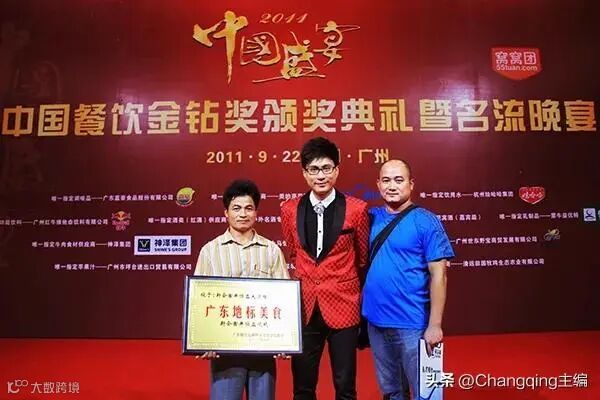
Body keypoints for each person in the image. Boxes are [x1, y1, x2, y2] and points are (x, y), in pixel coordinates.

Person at [280, 137, 369, 400]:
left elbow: (362, 257)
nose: (321, 176)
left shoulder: (357, 209)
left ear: (337, 170)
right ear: (304, 173)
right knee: (303, 386)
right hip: (305, 306)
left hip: (344, 304)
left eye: (327, 168)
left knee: (345, 386)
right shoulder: (289, 209)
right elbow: (293, 251)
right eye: (314, 169)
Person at [362, 160, 455, 400]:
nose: (392, 186)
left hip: (414, 324)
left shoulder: (426, 221)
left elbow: (439, 275)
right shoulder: (370, 219)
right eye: (386, 180)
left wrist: (435, 324)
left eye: (398, 180)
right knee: (391, 391)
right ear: (378, 184)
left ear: (411, 184)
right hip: (376, 322)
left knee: (428, 392)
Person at [194, 179, 290, 400]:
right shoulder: (210, 251)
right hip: (224, 348)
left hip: (263, 346)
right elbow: (199, 300)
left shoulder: (271, 250)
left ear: (256, 212)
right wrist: (203, 341)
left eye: (249, 208)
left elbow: (283, 300)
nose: (243, 214)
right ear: (226, 213)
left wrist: (286, 341)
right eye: (236, 208)